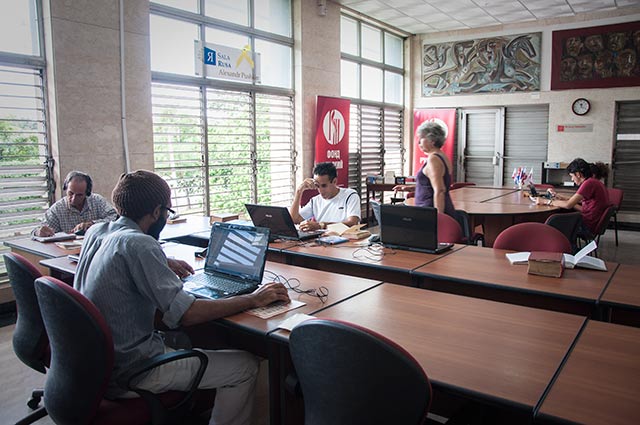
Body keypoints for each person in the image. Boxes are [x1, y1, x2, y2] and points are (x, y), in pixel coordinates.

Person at [74, 170, 290, 425]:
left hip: (98, 363)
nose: (166, 216)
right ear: (156, 212)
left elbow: (123, 254)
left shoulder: (98, 231)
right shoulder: (140, 245)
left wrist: (161, 261)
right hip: (132, 369)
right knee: (244, 367)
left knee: (199, 338)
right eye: (167, 211)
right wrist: (253, 299)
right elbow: (188, 314)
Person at [393, 121, 456, 218]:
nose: (418, 143)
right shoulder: (442, 156)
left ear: (432, 141)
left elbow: (440, 190)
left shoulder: (434, 159)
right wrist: (410, 188)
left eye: (421, 138)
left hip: (430, 212)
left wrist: (439, 218)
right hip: (428, 210)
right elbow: (430, 186)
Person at [537, 159, 609, 236]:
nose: (572, 179)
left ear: (578, 174)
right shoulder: (594, 182)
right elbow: (577, 200)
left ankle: (564, 245)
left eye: (572, 176)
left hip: (587, 225)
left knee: (551, 222)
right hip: (591, 222)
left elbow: (568, 205)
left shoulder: (589, 183)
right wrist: (558, 195)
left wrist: (546, 201)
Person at [33, 170, 118, 236]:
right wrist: (39, 232)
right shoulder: (57, 209)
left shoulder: (97, 201)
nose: (73, 199)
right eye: (71, 193)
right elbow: (37, 231)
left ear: (87, 193)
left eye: (79, 195)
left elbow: (115, 218)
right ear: (65, 188)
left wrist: (93, 224)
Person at [289, 162, 361, 232]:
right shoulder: (315, 201)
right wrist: (299, 191)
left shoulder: (350, 196)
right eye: (317, 186)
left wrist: (321, 225)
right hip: (322, 240)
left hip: (346, 240)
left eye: (324, 186)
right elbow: (294, 220)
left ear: (334, 181)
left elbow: (352, 223)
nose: (320, 190)